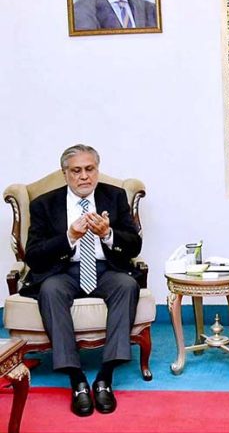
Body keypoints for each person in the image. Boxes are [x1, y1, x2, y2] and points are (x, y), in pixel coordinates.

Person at [21, 145, 142, 417]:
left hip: (105, 269)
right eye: (76, 171)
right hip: (63, 272)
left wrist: (108, 233)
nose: (84, 176)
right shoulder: (44, 204)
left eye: (90, 169)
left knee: (127, 284)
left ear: (97, 170)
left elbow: (134, 246)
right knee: (50, 290)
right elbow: (34, 255)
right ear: (65, 174)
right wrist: (69, 238)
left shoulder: (115, 196)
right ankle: (76, 380)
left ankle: (104, 378)